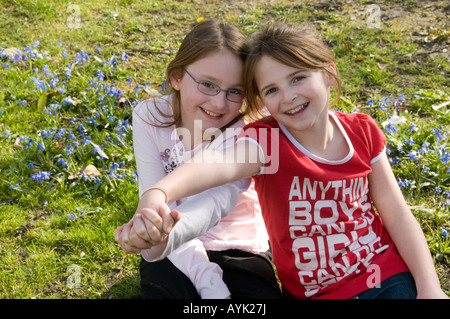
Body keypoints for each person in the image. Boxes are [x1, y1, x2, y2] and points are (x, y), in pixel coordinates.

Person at [133, 23, 449, 299]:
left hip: (381, 275)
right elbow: (219, 164)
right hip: (314, 291)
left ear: (328, 74)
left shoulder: (356, 132)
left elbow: (397, 215)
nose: (287, 97)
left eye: (298, 78)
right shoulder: (265, 140)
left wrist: (430, 286)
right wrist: (159, 193)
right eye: (272, 89)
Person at [114, 20, 282, 299]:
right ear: (177, 77)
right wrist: (203, 275)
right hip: (172, 246)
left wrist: (166, 233)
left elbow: (218, 200)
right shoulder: (150, 117)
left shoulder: (249, 127)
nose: (218, 103)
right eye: (207, 84)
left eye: (235, 91)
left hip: (238, 244)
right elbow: (155, 202)